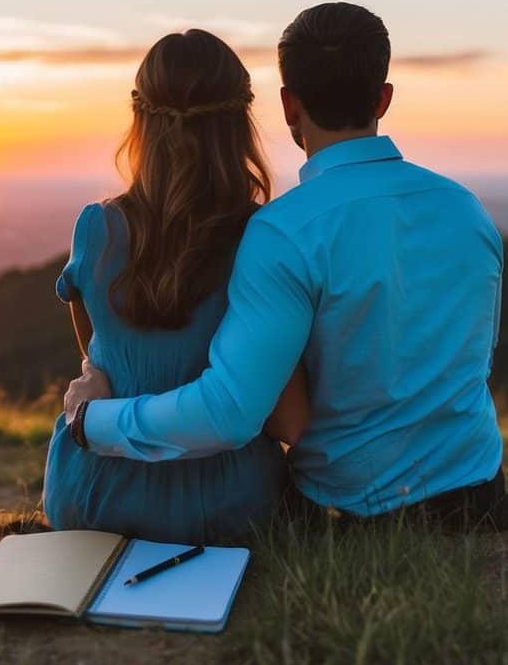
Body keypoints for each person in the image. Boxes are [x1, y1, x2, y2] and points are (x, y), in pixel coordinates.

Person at [64, 2, 506, 525]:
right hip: (478, 491)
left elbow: (229, 412)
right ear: (383, 99)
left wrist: (91, 421)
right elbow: (477, 356)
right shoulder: (465, 209)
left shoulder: (285, 231)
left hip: (353, 510)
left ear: (289, 105)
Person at [42, 29, 309, 543]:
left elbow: (98, 359)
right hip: (225, 509)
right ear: (240, 126)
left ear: (140, 121)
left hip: (88, 493)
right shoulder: (264, 240)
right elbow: (285, 420)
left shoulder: (94, 229)